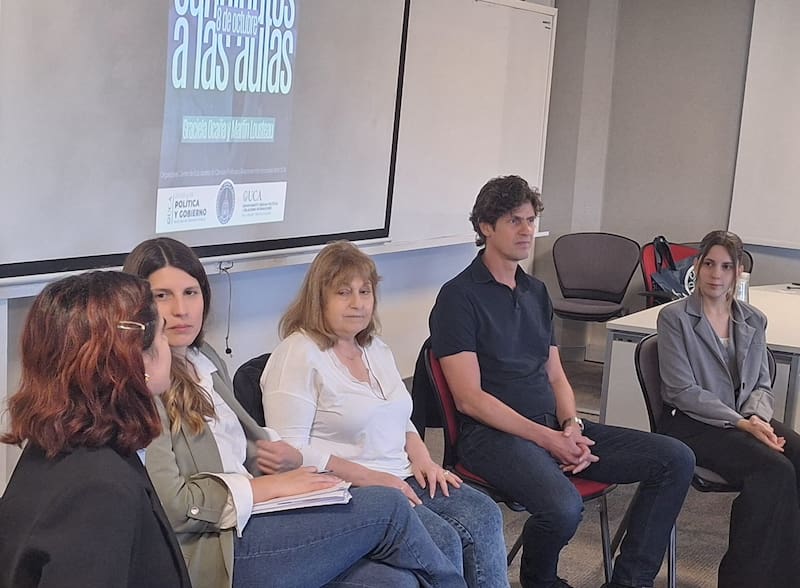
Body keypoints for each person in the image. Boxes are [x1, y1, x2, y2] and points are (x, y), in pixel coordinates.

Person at [124, 237, 465, 588]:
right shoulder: (143, 386)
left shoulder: (204, 358)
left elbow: (242, 443)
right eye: (162, 296)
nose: (181, 309)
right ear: (136, 306)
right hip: (216, 548)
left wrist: (278, 457)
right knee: (389, 506)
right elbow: (176, 507)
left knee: (393, 581)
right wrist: (267, 488)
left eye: (191, 293)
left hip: (258, 513)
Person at [428, 175, 696, 588]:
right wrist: (548, 440)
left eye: (531, 220)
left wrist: (569, 426)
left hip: (551, 425)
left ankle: (628, 582)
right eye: (515, 220)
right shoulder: (458, 297)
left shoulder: (535, 292)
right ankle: (540, 579)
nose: (527, 230)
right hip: (492, 436)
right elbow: (469, 400)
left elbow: (556, 374)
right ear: (485, 227)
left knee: (675, 458)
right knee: (563, 507)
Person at [261, 240, 510, 588]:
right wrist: (372, 478)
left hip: (403, 473)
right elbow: (289, 454)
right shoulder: (298, 354)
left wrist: (423, 457)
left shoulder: (374, 348)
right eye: (343, 292)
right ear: (319, 298)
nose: (357, 303)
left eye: (365, 291)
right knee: (443, 539)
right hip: (348, 488)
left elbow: (397, 415)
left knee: (484, 514)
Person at [0, 271, 191, 588]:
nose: (169, 347)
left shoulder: (53, 450)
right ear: (134, 361)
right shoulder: (99, 488)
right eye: (162, 335)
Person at [657, 229, 800, 588]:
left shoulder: (753, 319)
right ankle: (744, 580)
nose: (715, 274)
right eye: (708, 264)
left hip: (745, 420)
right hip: (692, 423)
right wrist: (741, 422)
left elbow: (762, 384)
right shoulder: (674, 318)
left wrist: (757, 418)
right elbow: (680, 390)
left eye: (725, 266)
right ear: (697, 266)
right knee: (775, 472)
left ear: (738, 273)